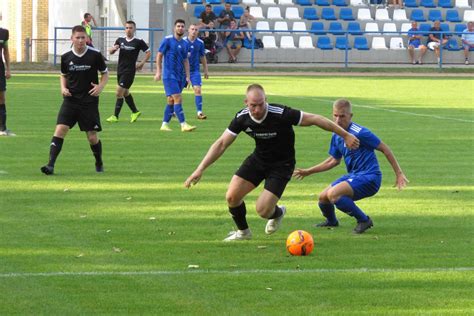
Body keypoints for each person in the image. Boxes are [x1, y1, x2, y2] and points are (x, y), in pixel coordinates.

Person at [184, 84, 360, 241]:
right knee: (231, 196)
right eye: (253, 105)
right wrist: (200, 169)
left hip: (282, 165)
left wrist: (345, 135)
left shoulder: (281, 113)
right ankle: (243, 233)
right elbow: (221, 143)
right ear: (246, 102)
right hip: (258, 160)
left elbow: (315, 119)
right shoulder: (242, 118)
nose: (258, 109)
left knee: (263, 211)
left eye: (261, 104)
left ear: (265, 100)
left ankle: (279, 212)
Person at [293, 99, 409, 234]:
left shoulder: (360, 132)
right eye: (335, 115)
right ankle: (332, 221)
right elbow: (333, 161)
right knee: (323, 198)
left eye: (342, 116)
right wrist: (309, 171)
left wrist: (399, 173)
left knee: (334, 195)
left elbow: (385, 148)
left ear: (350, 116)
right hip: (354, 175)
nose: (337, 120)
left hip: (370, 177)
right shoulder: (336, 134)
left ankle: (364, 220)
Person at [40, 25, 109, 175]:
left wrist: (100, 87)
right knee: (60, 129)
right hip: (70, 100)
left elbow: (105, 74)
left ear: (87, 39)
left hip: (89, 101)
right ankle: (50, 165)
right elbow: (63, 75)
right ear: (72, 39)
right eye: (77, 37)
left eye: (83, 37)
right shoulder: (66, 57)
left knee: (92, 137)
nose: (80, 40)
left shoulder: (95, 55)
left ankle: (99, 161)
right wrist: (63, 89)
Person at [155, 19, 196, 132]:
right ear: (174, 28)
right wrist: (158, 71)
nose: (180, 28)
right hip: (169, 75)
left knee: (171, 100)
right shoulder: (167, 40)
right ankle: (183, 124)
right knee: (178, 98)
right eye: (178, 26)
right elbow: (159, 55)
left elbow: (185, 60)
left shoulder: (185, 44)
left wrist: (188, 76)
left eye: (182, 26)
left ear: (185, 29)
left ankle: (164, 125)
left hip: (180, 76)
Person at [106, 20, 151, 123]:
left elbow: (148, 52)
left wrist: (142, 63)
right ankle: (135, 111)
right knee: (125, 92)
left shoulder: (138, 41)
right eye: (127, 28)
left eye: (130, 28)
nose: (128, 30)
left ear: (134, 29)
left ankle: (115, 116)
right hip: (120, 69)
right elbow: (111, 52)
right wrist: (114, 49)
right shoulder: (120, 40)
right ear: (124, 29)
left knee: (118, 92)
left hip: (129, 71)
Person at [184, 24, 209, 120]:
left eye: (196, 29)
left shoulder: (200, 43)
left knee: (198, 90)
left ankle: (199, 112)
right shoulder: (183, 42)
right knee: (176, 92)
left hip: (194, 71)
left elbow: (202, 57)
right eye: (192, 29)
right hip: (181, 72)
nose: (194, 31)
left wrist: (206, 70)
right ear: (188, 30)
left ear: (198, 31)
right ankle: (173, 111)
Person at [0, 26, 14, 136]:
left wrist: (8, 69)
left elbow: (6, 51)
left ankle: (2, 129)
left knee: (1, 97)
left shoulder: (4, 33)